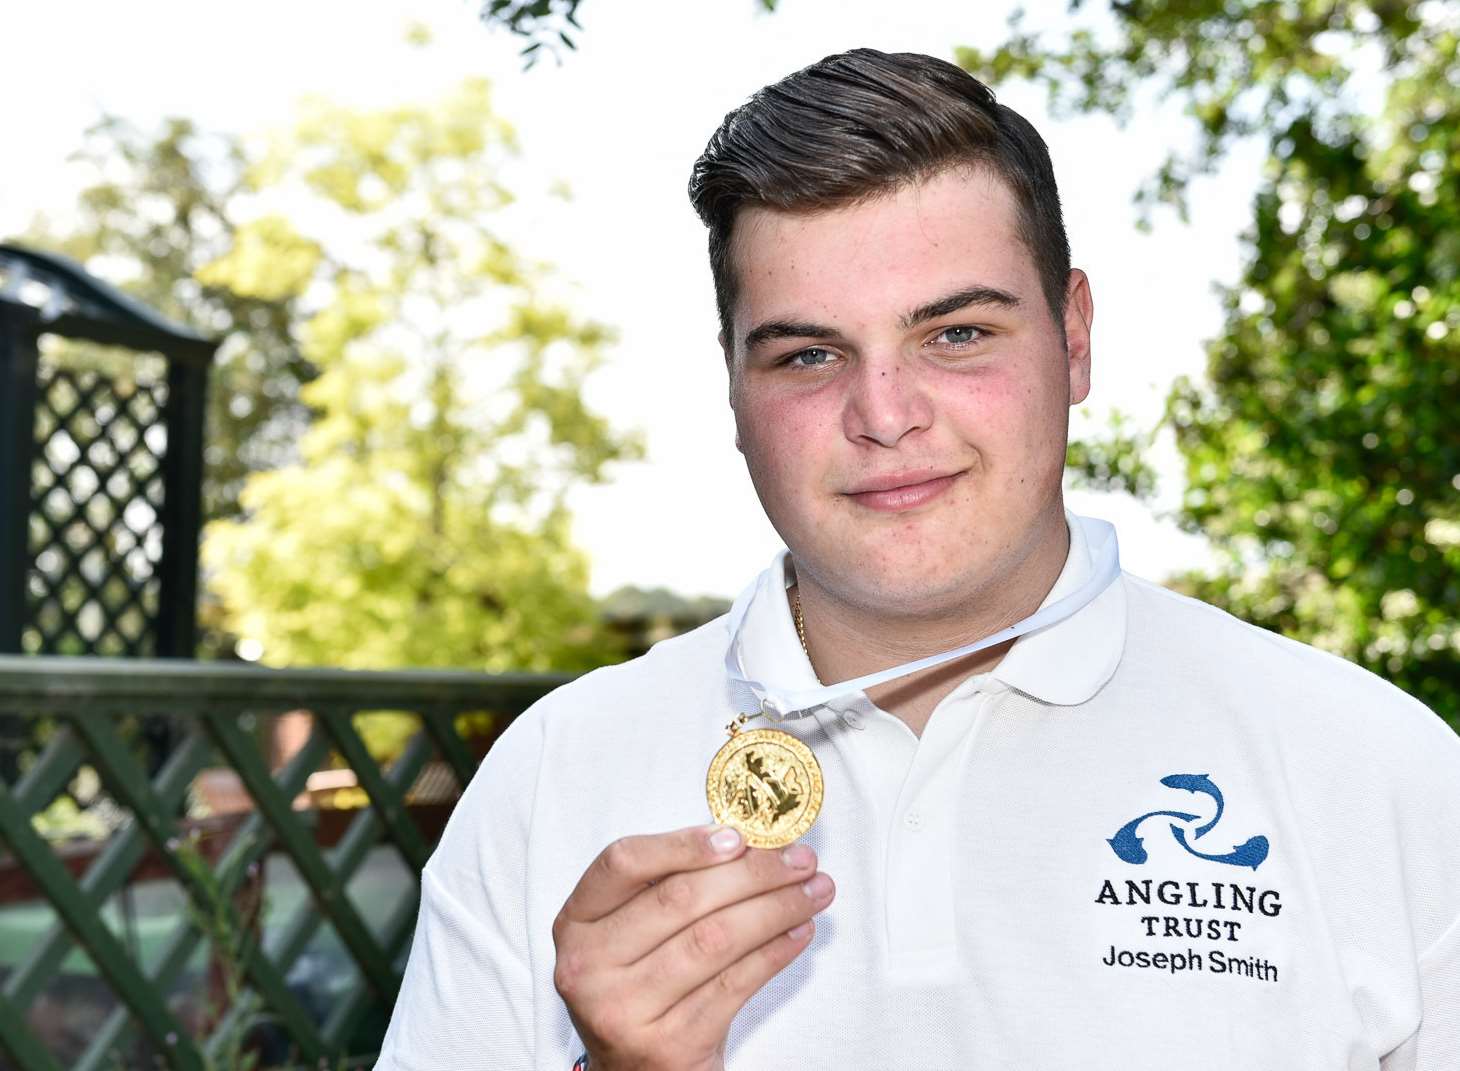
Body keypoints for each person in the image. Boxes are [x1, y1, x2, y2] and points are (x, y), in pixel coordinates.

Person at [374, 49, 1460, 1070]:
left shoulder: (1377, 774)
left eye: (956, 335)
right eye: (808, 354)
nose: (882, 416)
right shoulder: (556, 780)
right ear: (732, 387)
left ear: (1072, 338)